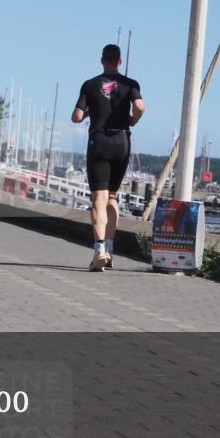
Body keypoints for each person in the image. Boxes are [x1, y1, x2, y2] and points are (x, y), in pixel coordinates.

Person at [71, 44, 144, 271]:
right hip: (122, 141)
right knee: (113, 196)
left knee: (98, 199)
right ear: (120, 61)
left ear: (102, 60)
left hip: (100, 141)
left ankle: (99, 251)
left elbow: (76, 116)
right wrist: (132, 120)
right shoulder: (131, 84)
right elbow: (140, 106)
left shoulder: (90, 84)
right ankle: (110, 249)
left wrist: (91, 110)